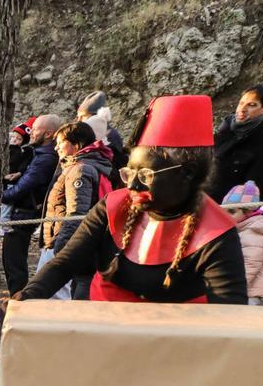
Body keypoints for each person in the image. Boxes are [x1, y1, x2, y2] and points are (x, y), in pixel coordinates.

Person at [18, 95, 248, 304]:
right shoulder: (113, 207)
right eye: (129, 173)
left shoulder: (216, 233)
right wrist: (25, 297)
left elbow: (229, 312)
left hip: (177, 334)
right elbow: (66, 262)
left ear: (187, 173)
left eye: (146, 175)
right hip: (104, 326)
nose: (132, 186)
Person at [41, 121, 114, 299]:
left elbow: (76, 213)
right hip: (86, 239)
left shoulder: (80, 170)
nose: (56, 147)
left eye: (60, 142)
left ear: (76, 144)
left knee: (78, 285)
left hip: (76, 241)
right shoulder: (82, 167)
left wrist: (63, 249)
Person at [1, 114, 61, 294]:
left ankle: (19, 299)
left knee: (13, 262)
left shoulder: (45, 158)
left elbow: (24, 187)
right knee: (12, 260)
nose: (31, 133)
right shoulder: (38, 153)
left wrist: (0, 196)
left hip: (24, 213)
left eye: (35, 129)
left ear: (48, 134)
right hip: (22, 211)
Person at [208, 84, 263, 203]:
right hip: (194, 205)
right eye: (241, 103)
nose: (242, 109)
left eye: (251, 105)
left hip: (226, 209)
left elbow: (255, 193)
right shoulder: (217, 136)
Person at [77, 91, 128, 182]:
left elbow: (111, 167)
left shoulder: (110, 135)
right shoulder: (90, 134)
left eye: (83, 116)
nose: (79, 120)